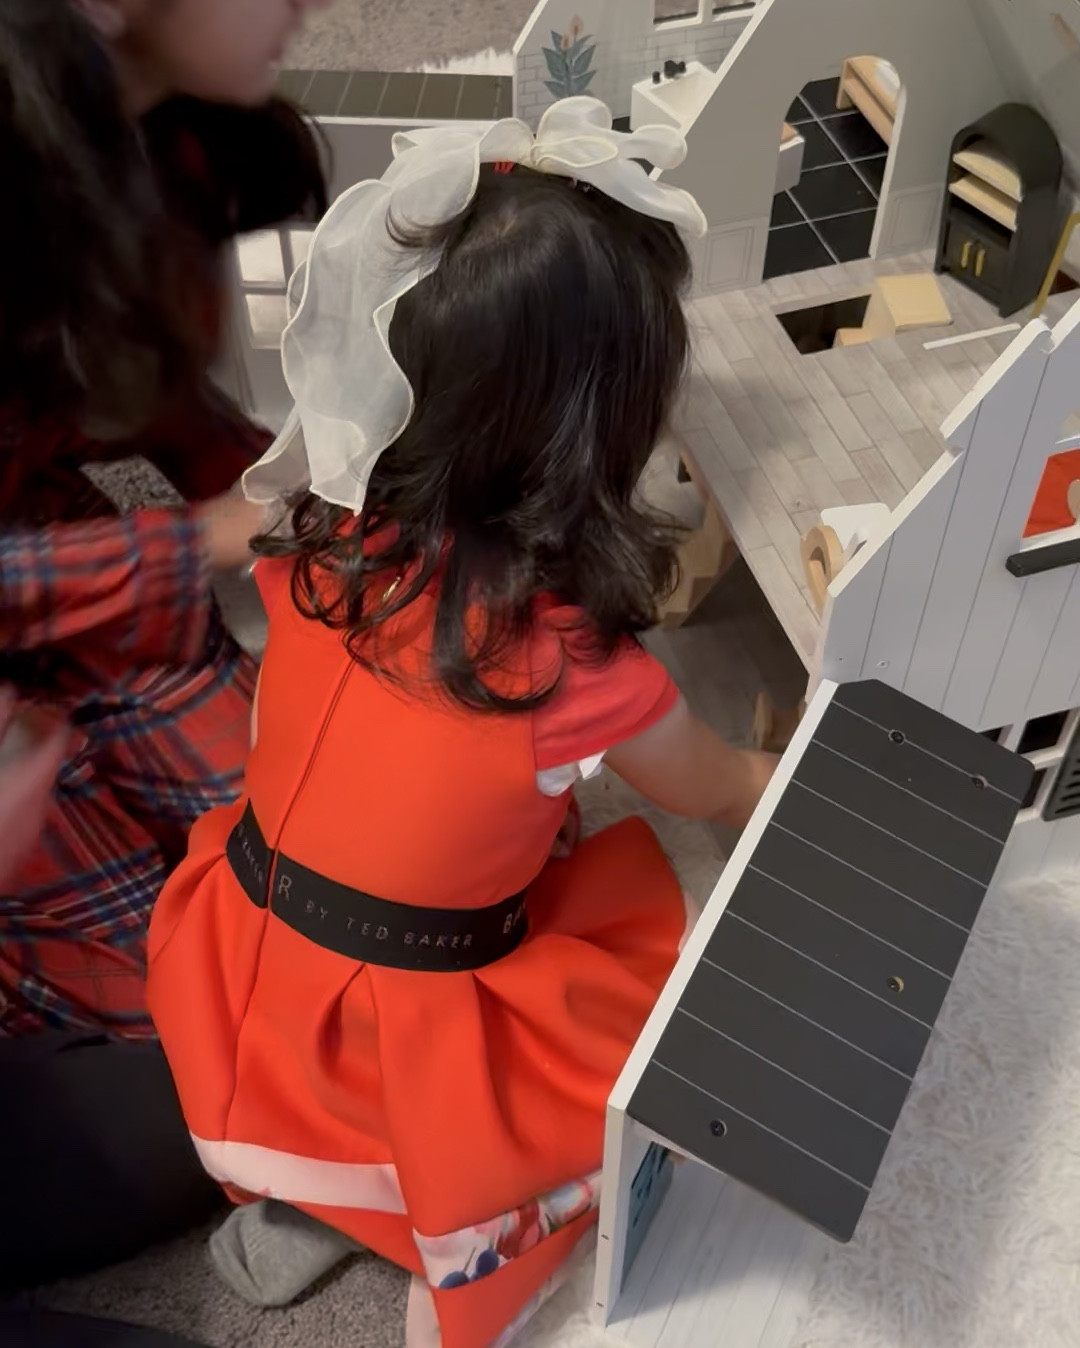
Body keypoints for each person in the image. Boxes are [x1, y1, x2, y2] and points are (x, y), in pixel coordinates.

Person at [146, 101, 778, 1348]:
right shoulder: (568, 662)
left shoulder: (318, 539)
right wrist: (780, 768)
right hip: (420, 1024)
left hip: (244, 970)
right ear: (601, 430)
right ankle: (450, 1227)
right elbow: (704, 784)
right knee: (654, 1033)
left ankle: (308, 1182)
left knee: (390, 937)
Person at [0, 0, 332, 1293]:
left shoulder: (171, 143)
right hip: (46, 592)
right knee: (192, 1015)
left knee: (306, 868)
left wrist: (275, 488)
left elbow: (133, 385)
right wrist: (195, 541)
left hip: (62, 549)